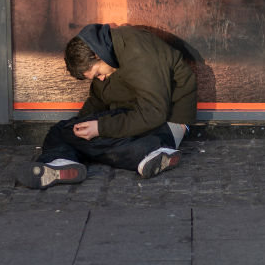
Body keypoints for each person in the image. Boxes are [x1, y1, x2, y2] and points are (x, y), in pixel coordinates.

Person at [15, 23, 198, 189]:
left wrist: (100, 128)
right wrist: (79, 126)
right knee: (64, 131)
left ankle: (151, 151)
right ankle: (61, 162)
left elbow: (154, 112)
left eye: (97, 74)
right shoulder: (107, 52)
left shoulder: (138, 53)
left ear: (97, 55)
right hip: (137, 113)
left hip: (167, 123)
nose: (101, 78)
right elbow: (98, 99)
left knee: (90, 137)